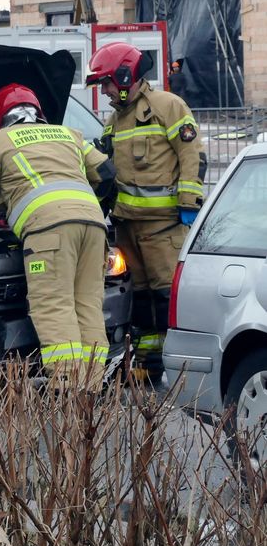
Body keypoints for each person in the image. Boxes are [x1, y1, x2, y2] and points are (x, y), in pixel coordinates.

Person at [0, 84, 117, 389]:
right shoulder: (68, 134)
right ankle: (92, 385)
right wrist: (96, 211)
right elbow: (107, 174)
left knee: (54, 304)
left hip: (48, 232)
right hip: (93, 227)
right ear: (38, 111)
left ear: (0, 118)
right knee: (88, 303)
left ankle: (67, 385)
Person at [85, 43, 206, 381]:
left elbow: (191, 155)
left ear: (125, 76)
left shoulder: (167, 106)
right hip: (126, 226)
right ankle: (149, 363)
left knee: (166, 295)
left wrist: (188, 204)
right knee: (138, 297)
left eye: (107, 82)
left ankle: (180, 367)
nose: (105, 91)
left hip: (164, 227)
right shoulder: (115, 121)